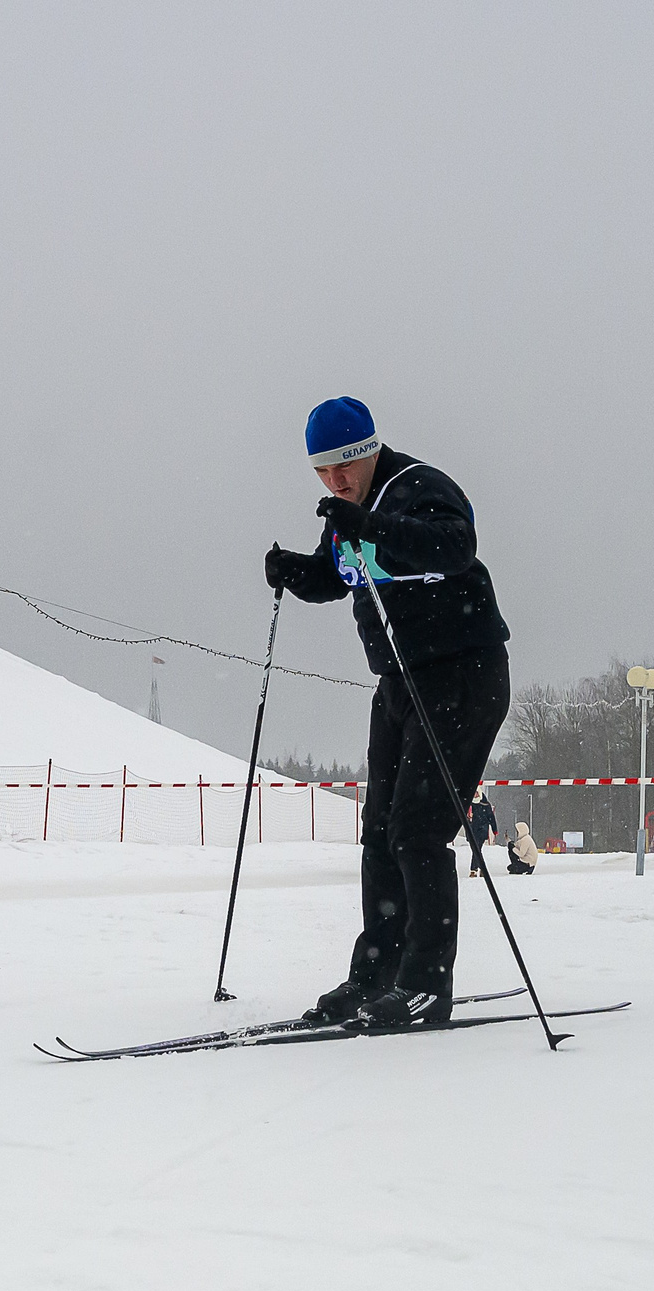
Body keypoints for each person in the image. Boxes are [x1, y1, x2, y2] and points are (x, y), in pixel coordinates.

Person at [264, 397, 512, 1029]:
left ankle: (427, 984)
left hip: (463, 673)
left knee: (417, 830)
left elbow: (452, 547)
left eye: (346, 464)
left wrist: (370, 527)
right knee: (379, 832)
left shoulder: (420, 489)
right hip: (400, 682)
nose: (336, 481)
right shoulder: (350, 510)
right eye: (323, 471)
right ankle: (376, 975)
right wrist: (296, 571)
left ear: (372, 449)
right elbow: (338, 573)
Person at [464, 789, 497, 876]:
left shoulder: (485, 804)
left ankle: (473, 870)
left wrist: (494, 829)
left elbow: (491, 818)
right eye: (474, 794)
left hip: (482, 830)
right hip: (471, 831)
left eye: (476, 793)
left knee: (476, 848)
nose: (475, 795)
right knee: (476, 850)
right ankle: (483, 869)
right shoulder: (468, 805)